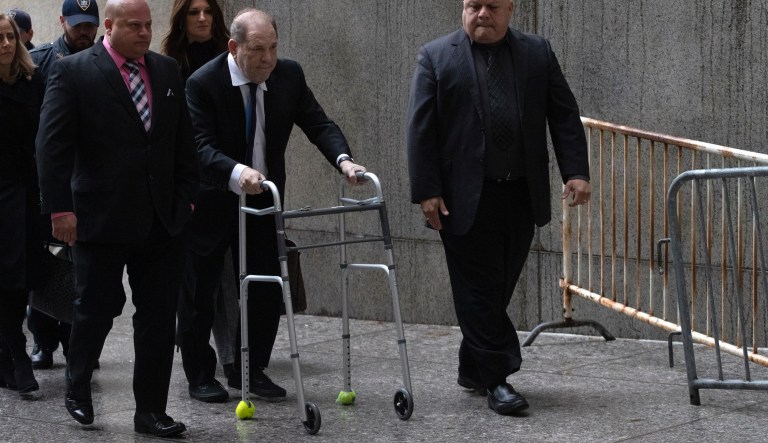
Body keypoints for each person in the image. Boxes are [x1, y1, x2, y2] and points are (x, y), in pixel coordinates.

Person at [407, 0, 591, 416]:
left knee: (499, 284)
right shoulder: (436, 56)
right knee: (478, 289)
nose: (482, 14)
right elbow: (421, 127)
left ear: (510, 9)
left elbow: (563, 114)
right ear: (463, 8)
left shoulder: (536, 53)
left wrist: (576, 171)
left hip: (520, 195)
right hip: (461, 198)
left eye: (492, 5)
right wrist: (426, 190)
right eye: (474, 5)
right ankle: (497, 378)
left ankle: (472, 365)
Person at [182, 8, 366, 402]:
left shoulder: (288, 75)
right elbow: (200, 147)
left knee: (268, 285)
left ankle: (251, 369)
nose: (267, 59)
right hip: (214, 196)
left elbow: (318, 123)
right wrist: (237, 171)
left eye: (273, 48)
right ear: (234, 48)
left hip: (265, 197)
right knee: (201, 288)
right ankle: (199, 373)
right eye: (257, 50)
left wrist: (343, 160)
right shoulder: (203, 83)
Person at [35, 0, 198, 437]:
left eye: (148, 25)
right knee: (96, 309)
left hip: (162, 221)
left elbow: (183, 142)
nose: (144, 33)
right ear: (109, 26)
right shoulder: (74, 72)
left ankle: (150, 411)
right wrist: (59, 209)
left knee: (159, 318)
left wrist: (187, 199)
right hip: (99, 218)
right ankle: (77, 387)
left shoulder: (165, 71)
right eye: (133, 26)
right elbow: (51, 148)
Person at [161, 0, 241, 395]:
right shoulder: (168, 66)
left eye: (208, 10)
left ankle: (238, 363)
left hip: (235, 183)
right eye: (194, 12)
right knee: (196, 289)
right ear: (181, 18)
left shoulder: (234, 56)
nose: (203, 18)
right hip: (193, 190)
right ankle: (200, 372)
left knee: (234, 284)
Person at [26, 0, 100, 372]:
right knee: (47, 265)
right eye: (77, 25)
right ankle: (43, 340)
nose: (84, 32)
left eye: (90, 25)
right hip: (50, 182)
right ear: (62, 23)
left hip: (91, 184)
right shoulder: (39, 62)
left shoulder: (105, 62)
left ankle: (78, 345)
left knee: (83, 272)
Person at [0, 12, 44, 396]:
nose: (6, 44)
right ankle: (16, 355)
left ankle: (10, 354)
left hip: (23, 190)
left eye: (10, 37)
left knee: (19, 278)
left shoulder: (33, 81)